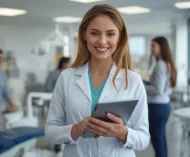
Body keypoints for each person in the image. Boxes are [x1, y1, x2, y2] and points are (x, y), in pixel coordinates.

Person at [45, 4, 150, 157]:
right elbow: (50, 132)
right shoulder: (66, 77)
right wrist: (76, 129)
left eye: (110, 34)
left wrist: (123, 132)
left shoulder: (133, 80)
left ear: (119, 37)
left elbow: (143, 139)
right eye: (94, 33)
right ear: (84, 35)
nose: (102, 41)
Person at [145, 36, 177, 157]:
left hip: (157, 107)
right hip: (164, 106)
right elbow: (160, 86)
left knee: (157, 140)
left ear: (161, 47)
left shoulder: (160, 65)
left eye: (153, 46)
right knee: (161, 139)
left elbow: (158, 89)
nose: (151, 49)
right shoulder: (166, 63)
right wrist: (146, 82)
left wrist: (142, 87)